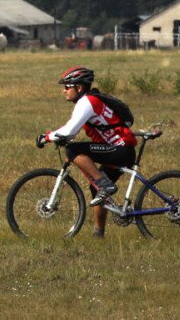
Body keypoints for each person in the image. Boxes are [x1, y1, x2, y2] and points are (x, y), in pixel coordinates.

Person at [35, 65, 138, 238]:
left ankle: (106, 185)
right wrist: (57, 135)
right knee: (96, 188)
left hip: (120, 150)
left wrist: (46, 137)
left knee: (73, 150)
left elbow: (69, 131)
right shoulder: (88, 101)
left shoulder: (87, 102)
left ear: (79, 87)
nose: (64, 91)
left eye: (67, 86)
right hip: (120, 150)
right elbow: (70, 128)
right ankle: (99, 234)